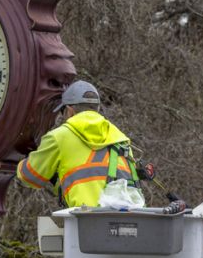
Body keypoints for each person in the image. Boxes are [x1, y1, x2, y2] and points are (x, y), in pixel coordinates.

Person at [16, 80, 142, 208]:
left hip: (84, 221)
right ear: (97, 109)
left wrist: (19, 159)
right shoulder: (120, 139)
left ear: (70, 111)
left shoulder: (59, 137)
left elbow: (30, 177)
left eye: (62, 112)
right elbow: (94, 181)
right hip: (126, 220)